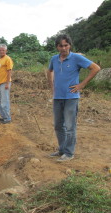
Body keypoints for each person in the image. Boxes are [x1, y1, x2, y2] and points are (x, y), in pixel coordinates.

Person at [47, 34, 100, 162]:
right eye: (61, 46)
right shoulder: (54, 59)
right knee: (58, 125)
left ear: (70, 45)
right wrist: (52, 87)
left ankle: (69, 153)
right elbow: (50, 71)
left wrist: (81, 85)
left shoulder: (76, 58)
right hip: (58, 97)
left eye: (66, 45)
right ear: (57, 47)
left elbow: (96, 68)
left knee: (70, 126)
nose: (64, 48)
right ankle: (62, 149)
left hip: (71, 97)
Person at [0, 44, 14, 124]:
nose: (1, 51)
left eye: (3, 50)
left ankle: (7, 118)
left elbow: (9, 71)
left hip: (4, 83)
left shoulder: (8, 59)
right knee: (0, 101)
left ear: (6, 51)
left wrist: (7, 83)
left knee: (4, 101)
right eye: (0, 50)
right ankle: (3, 117)